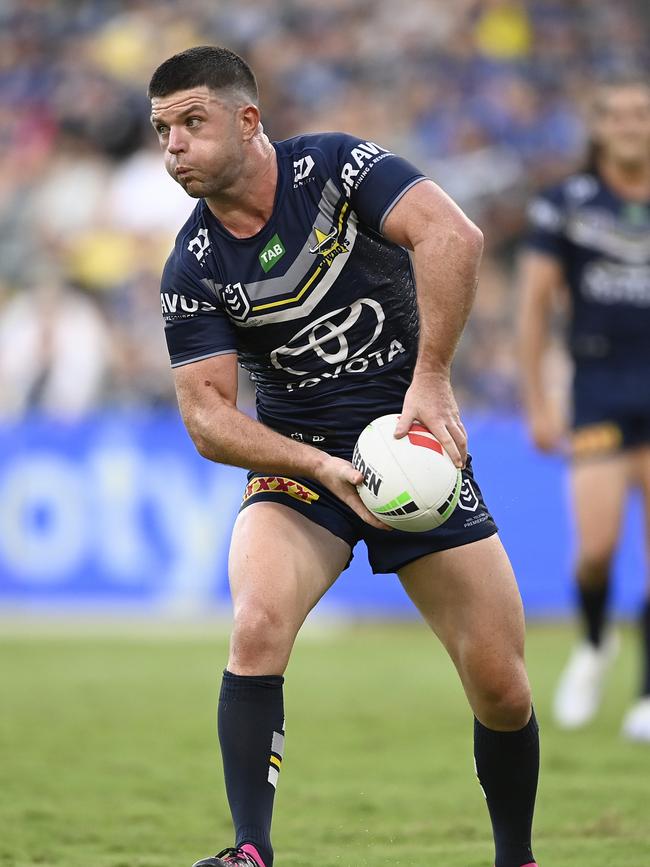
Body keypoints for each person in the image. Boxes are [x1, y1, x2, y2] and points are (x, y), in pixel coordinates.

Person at [149, 45, 540, 867]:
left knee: (503, 688)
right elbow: (208, 419)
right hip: (304, 463)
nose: (173, 146)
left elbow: (452, 235)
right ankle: (250, 851)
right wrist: (315, 465)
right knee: (255, 624)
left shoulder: (333, 167)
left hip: (413, 445)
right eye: (161, 131)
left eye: (191, 123)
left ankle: (517, 857)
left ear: (248, 120)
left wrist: (431, 378)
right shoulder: (192, 264)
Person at [519, 74, 650, 739]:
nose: (631, 124)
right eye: (618, 113)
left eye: (641, 113)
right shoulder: (565, 203)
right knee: (596, 549)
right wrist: (539, 399)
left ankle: (648, 694)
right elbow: (534, 306)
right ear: (598, 126)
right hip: (598, 385)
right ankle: (596, 642)